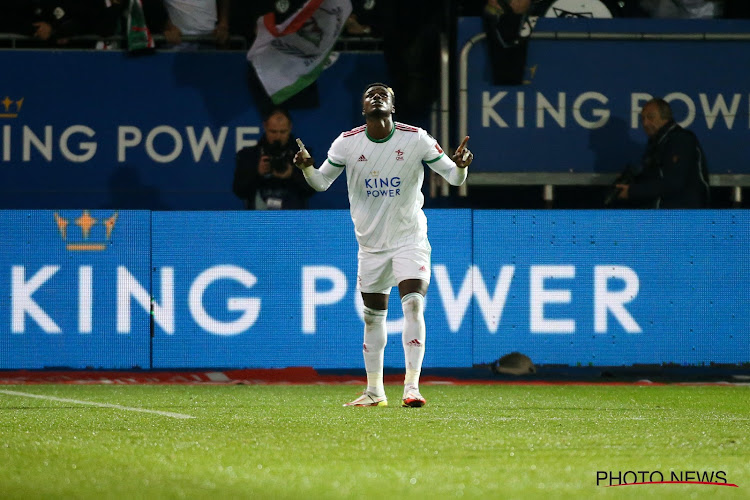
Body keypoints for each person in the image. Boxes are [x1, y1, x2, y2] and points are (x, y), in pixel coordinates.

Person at [293, 83, 473, 407]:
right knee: (373, 317)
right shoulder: (347, 144)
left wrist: (461, 166)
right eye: (370, 95)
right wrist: (306, 167)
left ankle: (412, 388)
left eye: (383, 95)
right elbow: (320, 182)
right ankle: (375, 390)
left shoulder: (415, 138)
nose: (376, 97)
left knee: (413, 305)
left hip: (409, 238)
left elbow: (454, 178)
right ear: (363, 108)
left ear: (393, 106)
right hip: (371, 246)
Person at [616, 98, 710, 208]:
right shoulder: (657, 143)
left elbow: (674, 182)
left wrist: (632, 191)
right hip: (664, 216)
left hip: (683, 218)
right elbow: (654, 179)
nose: (645, 123)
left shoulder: (679, 139)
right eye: (642, 118)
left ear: (665, 118)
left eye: (650, 117)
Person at [233, 108, 316, 209]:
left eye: (283, 132)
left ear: (290, 128)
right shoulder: (249, 155)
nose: (278, 136)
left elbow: (312, 189)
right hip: (258, 219)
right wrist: (257, 173)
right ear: (265, 127)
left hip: (293, 218)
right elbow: (239, 191)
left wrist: (292, 174)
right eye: (273, 131)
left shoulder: (302, 156)